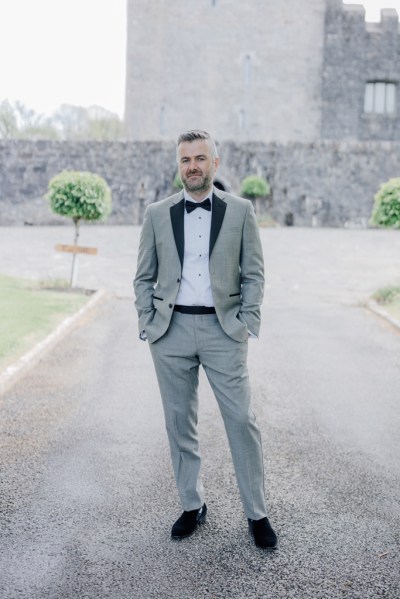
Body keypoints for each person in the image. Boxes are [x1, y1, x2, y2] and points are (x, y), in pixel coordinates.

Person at [133, 130, 277, 550]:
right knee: (179, 424)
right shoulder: (157, 213)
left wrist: (247, 319)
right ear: (178, 166)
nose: (192, 166)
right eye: (185, 160)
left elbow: (254, 272)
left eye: (200, 158)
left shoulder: (241, 211)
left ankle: (257, 513)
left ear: (215, 162)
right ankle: (191, 504)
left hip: (223, 331)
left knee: (242, 422)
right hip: (170, 331)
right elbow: (144, 274)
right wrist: (148, 321)